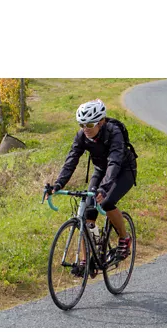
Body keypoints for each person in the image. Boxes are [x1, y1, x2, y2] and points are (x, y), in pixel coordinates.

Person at [51, 99, 137, 275]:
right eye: (82, 124)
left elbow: (114, 162)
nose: (85, 128)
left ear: (101, 122)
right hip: (101, 169)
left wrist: (104, 189)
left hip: (123, 170)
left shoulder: (114, 133)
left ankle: (124, 238)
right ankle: (87, 259)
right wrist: (58, 183)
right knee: (87, 213)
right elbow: (71, 160)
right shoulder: (82, 135)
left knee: (106, 202)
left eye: (89, 124)